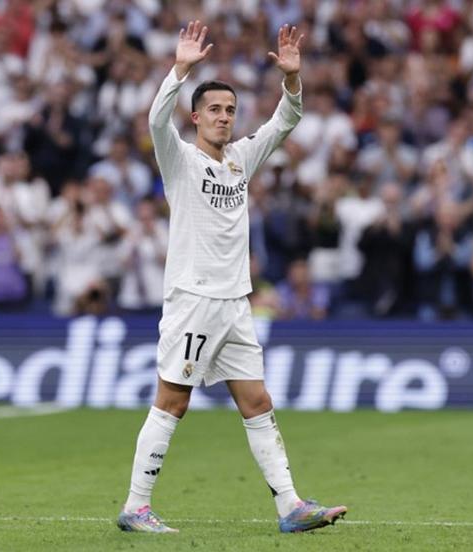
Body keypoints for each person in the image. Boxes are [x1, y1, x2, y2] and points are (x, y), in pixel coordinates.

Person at [116, 21, 347, 535]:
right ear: (196, 117)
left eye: (230, 111)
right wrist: (179, 68)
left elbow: (286, 121)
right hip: (194, 299)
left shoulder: (241, 159)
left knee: (257, 401)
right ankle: (136, 506)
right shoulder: (180, 160)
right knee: (172, 400)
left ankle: (289, 506)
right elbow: (156, 119)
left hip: (236, 302)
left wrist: (291, 79)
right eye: (215, 111)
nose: (224, 118)